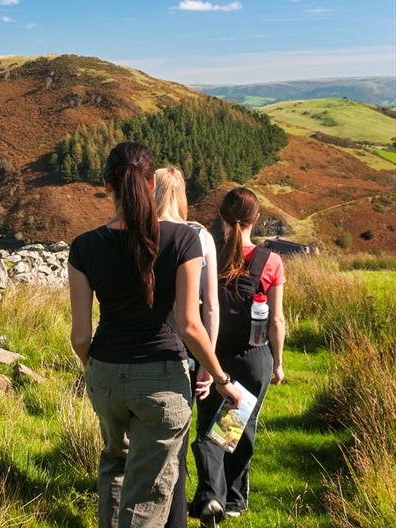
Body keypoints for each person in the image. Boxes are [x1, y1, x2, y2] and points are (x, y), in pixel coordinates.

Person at [68, 142, 241, 528]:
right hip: (162, 382)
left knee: (114, 465)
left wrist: (93, 368)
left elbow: (80, 335)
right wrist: (221, 378)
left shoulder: (83, 247)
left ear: (106, 186)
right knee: (148, 492)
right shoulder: (184, 240)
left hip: (106, 376)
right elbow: (189, 323)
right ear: (151, 185)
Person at [190, 187, 286, 526]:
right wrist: (277, 362)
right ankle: (230, 499)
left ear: (221, 217)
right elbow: (276, 319)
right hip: (253, 358)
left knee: (211, 428)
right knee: (236, 428)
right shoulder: (270, 261)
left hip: (210, 355)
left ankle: (212, 497)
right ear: (256, 219)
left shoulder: (206, 254)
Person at [153, 167, 220, 528]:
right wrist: (208, 364)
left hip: (145, 344)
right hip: (187, 347)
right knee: (176, 446)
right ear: (181, 195)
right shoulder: (200, 237)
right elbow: (210, 305)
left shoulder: (139, 232)